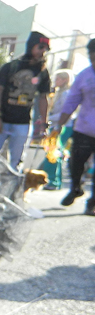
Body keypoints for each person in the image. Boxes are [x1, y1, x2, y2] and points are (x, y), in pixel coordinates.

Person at [0, 31, 51, 170]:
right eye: (40, 47)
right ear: (31, 46)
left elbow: (43, 98)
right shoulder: (11, 67)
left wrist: (44, 124)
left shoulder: (43, 72)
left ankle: (10, 189)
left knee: (16, 163)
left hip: (22, 122)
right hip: (3, 119)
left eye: (45, 49)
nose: (42, 52)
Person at [54, 39, 95, 214]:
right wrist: (59, 125)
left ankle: (92, 203)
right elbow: (71, 101)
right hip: (84, 129)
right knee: (75, 162)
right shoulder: (84, 75)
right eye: (92, 57)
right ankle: (75, 187)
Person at [40, 69, 74, 191]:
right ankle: (52, 179)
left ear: (65, 80)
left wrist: (48, 119)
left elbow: (64, 113)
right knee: (52, 151)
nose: (56, 81)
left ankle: (53, 180)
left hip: (62, 126)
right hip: (55, 125)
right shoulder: (58, 93)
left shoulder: (66, 94)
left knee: (53, 152)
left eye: (58, 79)